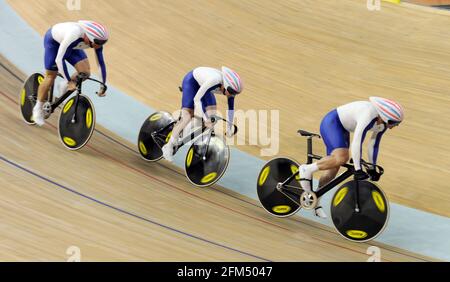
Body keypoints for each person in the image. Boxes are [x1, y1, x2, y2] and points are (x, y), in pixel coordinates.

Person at [299, 97, 404, 219]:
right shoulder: (368, 113)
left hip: (344, 129)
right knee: (342, 157)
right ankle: (307, 169)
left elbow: (373, 144)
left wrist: (372, 167)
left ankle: (315, 201)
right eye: (394, 123)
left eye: (397, 124)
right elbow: (357, 140)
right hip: (333, 122)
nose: (393, 127)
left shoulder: (382, 125)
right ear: (386, 116)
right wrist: (358, 169)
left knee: (331, 172)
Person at [32, 20, 109, 126]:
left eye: (102, 43)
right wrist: (69, 81)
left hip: (71, 46)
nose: (99, 46)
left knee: (85, 73)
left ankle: (62, 86)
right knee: (51, 76)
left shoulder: (96, 42)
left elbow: (100, 63)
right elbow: (59, 59)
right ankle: (37, 108)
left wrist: (103, 84)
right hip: (54, 44)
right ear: (89, 37)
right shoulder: (74, 33)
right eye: (98, 42)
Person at [161, 66, 243, 162]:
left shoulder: (229, 91)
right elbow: (197, 99)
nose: (232, 95)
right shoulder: (214, 80)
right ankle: (168, 146)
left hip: (204, 88)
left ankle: (182, 135)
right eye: (232, 92)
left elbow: (231, 109)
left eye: (235, 93)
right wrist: (204, 117)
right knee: (187, 116)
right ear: (225, 84)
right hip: (192, 83)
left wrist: (229, 128)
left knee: (212, 119)